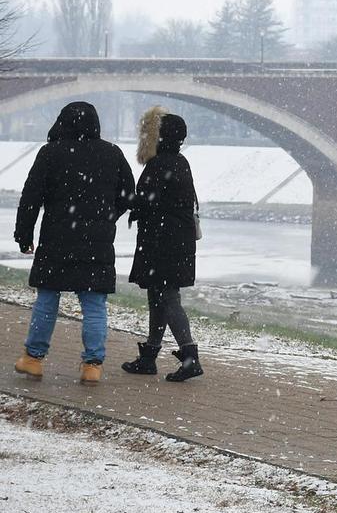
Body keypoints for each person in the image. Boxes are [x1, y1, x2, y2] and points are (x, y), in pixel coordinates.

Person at [12, 102, 135, 385]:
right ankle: (92, 365)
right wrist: (108, 216)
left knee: (47, 298)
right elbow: (130, 195)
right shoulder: (112, 153)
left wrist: (24, 235)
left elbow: (31, 197)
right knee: (94, 303)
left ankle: (33, 359)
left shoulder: (51, 153)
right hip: (97, 242)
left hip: (57, 237)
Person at [121, 107, 203, 382]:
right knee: (158, 296)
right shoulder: (181, 161)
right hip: (176, 241)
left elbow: (143, 201)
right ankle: (149, 357)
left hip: (160, 242)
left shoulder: (160, 164)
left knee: (167, 299)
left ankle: (190, 356)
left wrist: (121, 198)